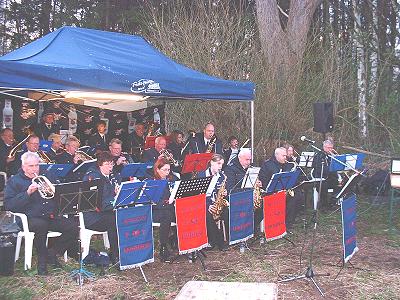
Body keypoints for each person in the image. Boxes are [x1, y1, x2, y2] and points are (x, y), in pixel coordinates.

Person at [4, 152, 79, 275]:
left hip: (49, 215)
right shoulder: (15, 181)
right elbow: (9, 205)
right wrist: (27, 193)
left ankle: (53, 253)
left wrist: (55, 190)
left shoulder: (47, 175)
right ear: (23, 167)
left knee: (73, 227)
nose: (34, 169)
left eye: (36, 165)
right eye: (31, 166)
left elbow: (59, 193)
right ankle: (42, 263)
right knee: (41, 225)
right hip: (28, 218)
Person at [82, 151, 121, 264]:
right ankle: (115, 255)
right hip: (93, 216)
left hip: (107, 211)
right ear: (100, 165)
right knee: (113, 220)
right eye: (107, 164)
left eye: (111, 164)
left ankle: (125, 251)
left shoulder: (113, 176)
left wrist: (118, 195)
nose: (110, 167)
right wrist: (114, 198)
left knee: (123, 216)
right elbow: (99, 202)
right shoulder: (92, 177)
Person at [259, 147, 302, 231]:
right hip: (271, 192)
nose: (285, 158)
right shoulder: (267, 164)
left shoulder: (288, 164)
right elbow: (263, 179)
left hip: (283, 190)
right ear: (276, 155)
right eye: (283, 156)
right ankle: (279, 224)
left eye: (286, 156)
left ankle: (288, 223)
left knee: (298, 196)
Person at [149, 158, 178, 262]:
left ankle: (178, 240)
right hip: (157, 210)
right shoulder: (153, 182)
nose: (167, 172)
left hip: (169, 208)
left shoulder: (171, 180)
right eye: (165, 170)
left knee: (183, 213)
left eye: (168, 170)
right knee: (167, 216)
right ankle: (163, 247)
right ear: (157, 170)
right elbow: (153, 202)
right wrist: (167, 203)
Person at [197, 154, 228, 251]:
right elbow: (199, 195)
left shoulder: (222, 176)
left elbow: (221, 192)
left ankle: (229, 237)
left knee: (228, 212)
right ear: (211, 162)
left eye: (222, 164)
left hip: (218, 203)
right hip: (205, 204)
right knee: (207, 215)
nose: (220, 166)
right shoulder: (201, 175)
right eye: (218, 163)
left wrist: (225, 193)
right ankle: (218, 241)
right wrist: (208, 205)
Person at [311, 140, 339, 208]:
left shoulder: (330, 156)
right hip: (319, 178)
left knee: (338, 183)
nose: (330, 150)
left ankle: (333, 202)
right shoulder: (319, 156)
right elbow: (319, 169)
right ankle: (323, 206)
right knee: (324, 185)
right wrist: (331, 170)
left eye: (331, 148)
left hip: (328, 177)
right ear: (324, 147)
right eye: (328, 148)